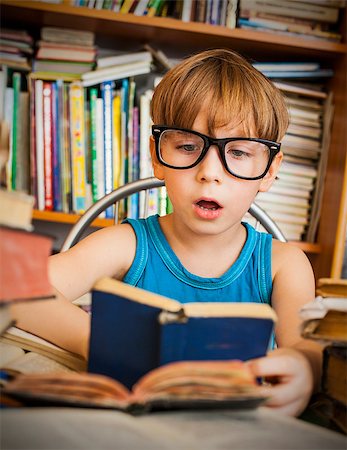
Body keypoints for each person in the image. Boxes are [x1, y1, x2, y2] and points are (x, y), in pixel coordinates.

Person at [11, 48, 322, 417]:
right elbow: (15, 284)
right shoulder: (126, 244)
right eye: (188, 146)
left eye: (238, 153)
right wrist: (95, 338)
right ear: (158, 155)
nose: (210, 172)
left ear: (270, 169)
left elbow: (307, 348)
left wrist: (305, 368)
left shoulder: (283, 264)